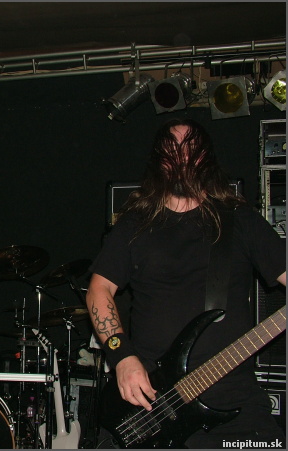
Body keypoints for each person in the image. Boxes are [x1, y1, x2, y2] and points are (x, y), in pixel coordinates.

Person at [86, 118, 286, 448]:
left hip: (233, 401)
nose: (181, 158)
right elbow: (99, 289)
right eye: (171, 150)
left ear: (206, 157)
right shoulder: (136, 225)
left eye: (190, 149)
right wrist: (121, 358)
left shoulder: (240, 220)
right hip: (151, 403)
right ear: (159, 161)